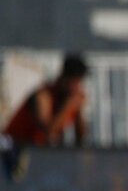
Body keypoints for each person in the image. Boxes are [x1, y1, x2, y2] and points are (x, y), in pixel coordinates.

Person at [1, 53, 89, 181]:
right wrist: (68, 106)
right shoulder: (44, 96)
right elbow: (48, 132)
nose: (76, 87)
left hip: (37, 157)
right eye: (74, 82)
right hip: (13, 152)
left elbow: (81, 137)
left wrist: (79, 111)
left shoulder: (73, 98)